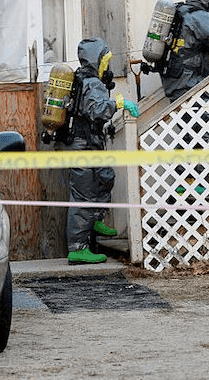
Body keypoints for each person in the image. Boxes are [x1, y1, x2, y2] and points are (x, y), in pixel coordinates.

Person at [66, 37, 140, 265]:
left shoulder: (84, 79)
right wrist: (118, 104)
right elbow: (97, 110)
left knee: (105, 177)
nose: (107, 66)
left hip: (90, 143)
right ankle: (78, 248)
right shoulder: (91, 82)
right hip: (83, 146)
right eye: (105, 61)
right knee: (83, 196)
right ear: (96, 60)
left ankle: (96, 217)